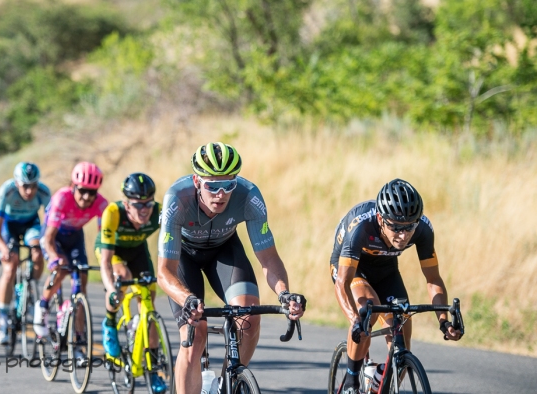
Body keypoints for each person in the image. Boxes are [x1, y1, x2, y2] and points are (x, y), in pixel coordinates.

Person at [156, 142, 305, 394]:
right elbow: (164, 272)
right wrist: (187, 298)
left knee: (249, 318)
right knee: (196, 333)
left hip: (224, 251)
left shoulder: (249, 196)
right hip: (184, 256)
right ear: (196, 181)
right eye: (212, 185)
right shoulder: (177, 199)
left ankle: (229, 383)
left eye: (229, 185)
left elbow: (269, 259)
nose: (221, 193)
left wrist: (284, 293)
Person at [330, 179, 462, 394]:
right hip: (353, 269)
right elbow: (342, 283)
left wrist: (444, 322)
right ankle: (351, 382)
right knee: (367, 312)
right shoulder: (361, 225)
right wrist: (355, 321)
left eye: (409, 227)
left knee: (401, 336)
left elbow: (433, 279)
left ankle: (378, 382)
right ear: (381, 219)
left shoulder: (423, 229)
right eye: (396, 228)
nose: (403, 235)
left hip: (386, 270)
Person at [96, 173, 166, 392]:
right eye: (138, 205)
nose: (144, 210)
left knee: (149, 309)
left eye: (148, 203)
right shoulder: (113, 213)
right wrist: (112, 289)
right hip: (112, 251)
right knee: (123, 278)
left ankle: (153, 371)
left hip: (138, 251)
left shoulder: (160, 212)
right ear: (126, 204)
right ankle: (109, 323)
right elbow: (106, 260)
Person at [33, 162, 108, 339]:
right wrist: (53, 258)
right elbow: (49, 239)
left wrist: (107, 263)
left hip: (75, 237)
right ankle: (42, 305)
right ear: (73, 186)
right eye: (82, 190)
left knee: (81, 285)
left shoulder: (101, 204)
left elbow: (104, 238)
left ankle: (79, 337)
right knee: (62, 268)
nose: (86, 197)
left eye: (92, 192)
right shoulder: (62, 198)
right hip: (54, 235)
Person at [0, 162, 51, 345]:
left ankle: (30, 288)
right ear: (17, 183)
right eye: (25, 186)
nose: (30, 191)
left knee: (37, 252)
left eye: (33, 186)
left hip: (31, 224)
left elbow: (51, 223)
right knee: (10, 267)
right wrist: (3, 249)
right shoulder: (7, 191)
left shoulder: (44, 192)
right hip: (9, 226)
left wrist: (47, 244)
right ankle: (3, 323)